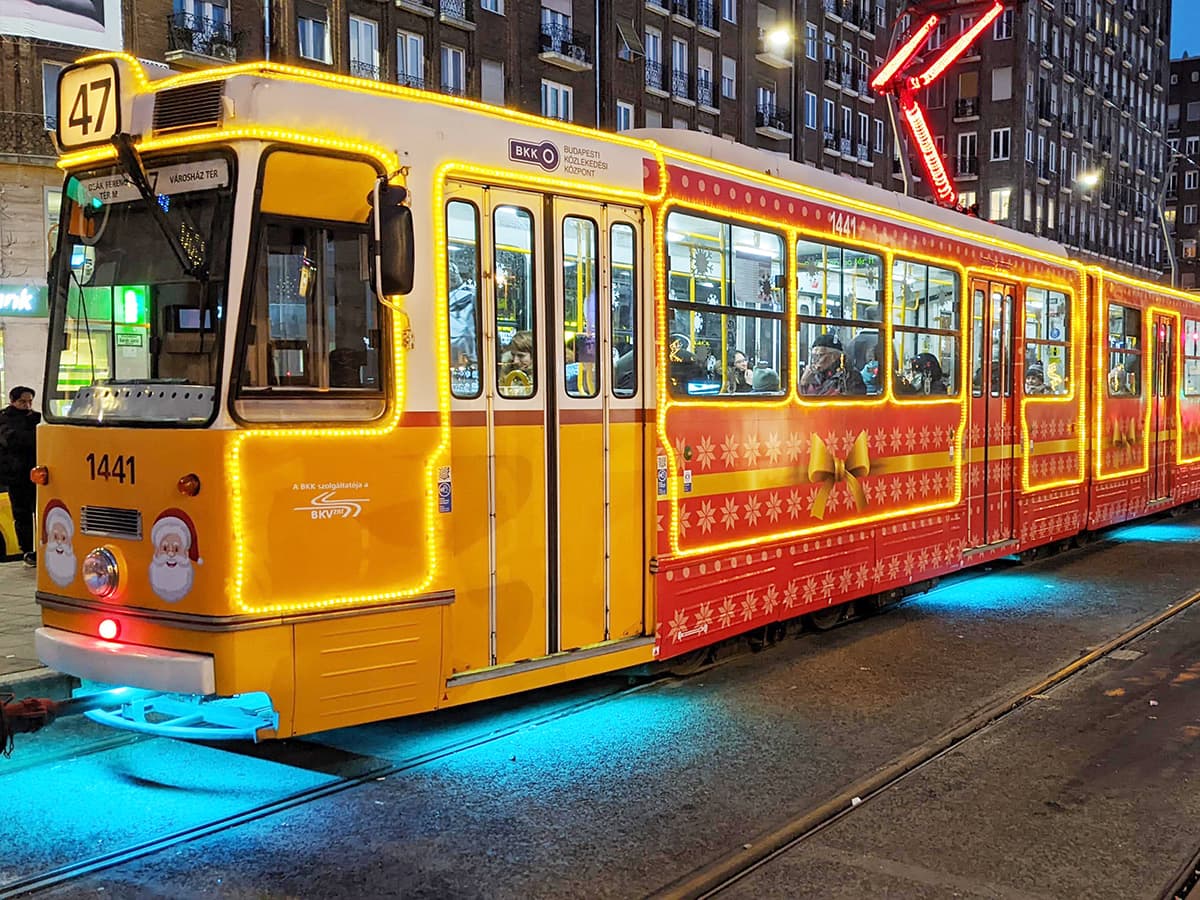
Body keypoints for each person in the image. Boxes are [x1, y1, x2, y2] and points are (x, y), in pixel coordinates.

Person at [0, 386, 40, 565]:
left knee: (38, 513)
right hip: (16, 475)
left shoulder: (36, 418)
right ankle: (27, 549)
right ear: (13, 401)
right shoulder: (4, 419)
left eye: (30, 401)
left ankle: (39, 548)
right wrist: (36, 436)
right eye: (23, 402)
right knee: (22, 514)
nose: (27, 405)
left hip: (37, 473)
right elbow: (13, 440)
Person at [799, 332, 866, 396]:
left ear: (833, 357)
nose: (814, 361)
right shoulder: (813, 376)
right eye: (813, 356)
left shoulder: (850, 376)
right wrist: (803, 383)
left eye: (819, 355)